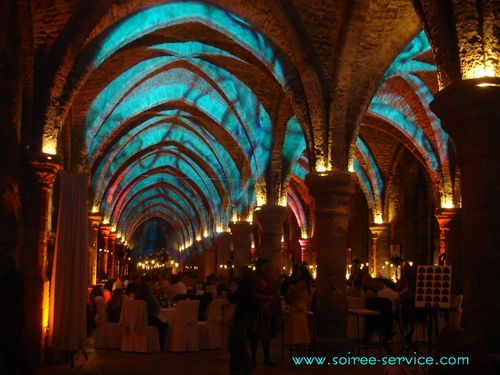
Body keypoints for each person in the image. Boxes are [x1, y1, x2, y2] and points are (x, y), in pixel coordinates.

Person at [0, 254, 32, 375]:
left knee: (12, 347)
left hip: (10, 318)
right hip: (16, 317)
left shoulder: (8, 278)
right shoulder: (18, 276)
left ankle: (15, 369)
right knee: (17, 345)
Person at [228, 267, 257, 375]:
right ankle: (239, 367)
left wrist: (229, 292)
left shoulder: (243, 287)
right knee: (239, 344)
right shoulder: (250, 286)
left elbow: (234, 298)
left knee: (238, 344)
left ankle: (242, 368)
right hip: (246, 317)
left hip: (240, 317)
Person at [250, 257, 277, 368]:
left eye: (267, 266)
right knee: (255, 335)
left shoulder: (267, 279)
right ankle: (253, 359)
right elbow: (253, 295)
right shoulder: (254, 280)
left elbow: (272, 292)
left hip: (266, 310)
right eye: (264, 266)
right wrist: (268, 298)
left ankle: (266, 358)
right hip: (256, 310)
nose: (266, 268)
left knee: (266, 335)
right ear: (259, 267)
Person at [284, 265, 312, 352]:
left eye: (298, 272)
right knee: (296, 336)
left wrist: (290, 288)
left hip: (298, 310)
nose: (296, 273)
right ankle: (297, 359)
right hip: (295, 309)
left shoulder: (302, 283)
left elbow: (294, 293)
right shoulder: (298, 284)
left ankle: (298, 359)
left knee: (298, 336)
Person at [135, 283, 168, 348]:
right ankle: (161, 344)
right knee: (164, 326)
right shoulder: (149, 298)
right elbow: (157, 308)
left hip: (138, 320)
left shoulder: (136, 299)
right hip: (150, 319)